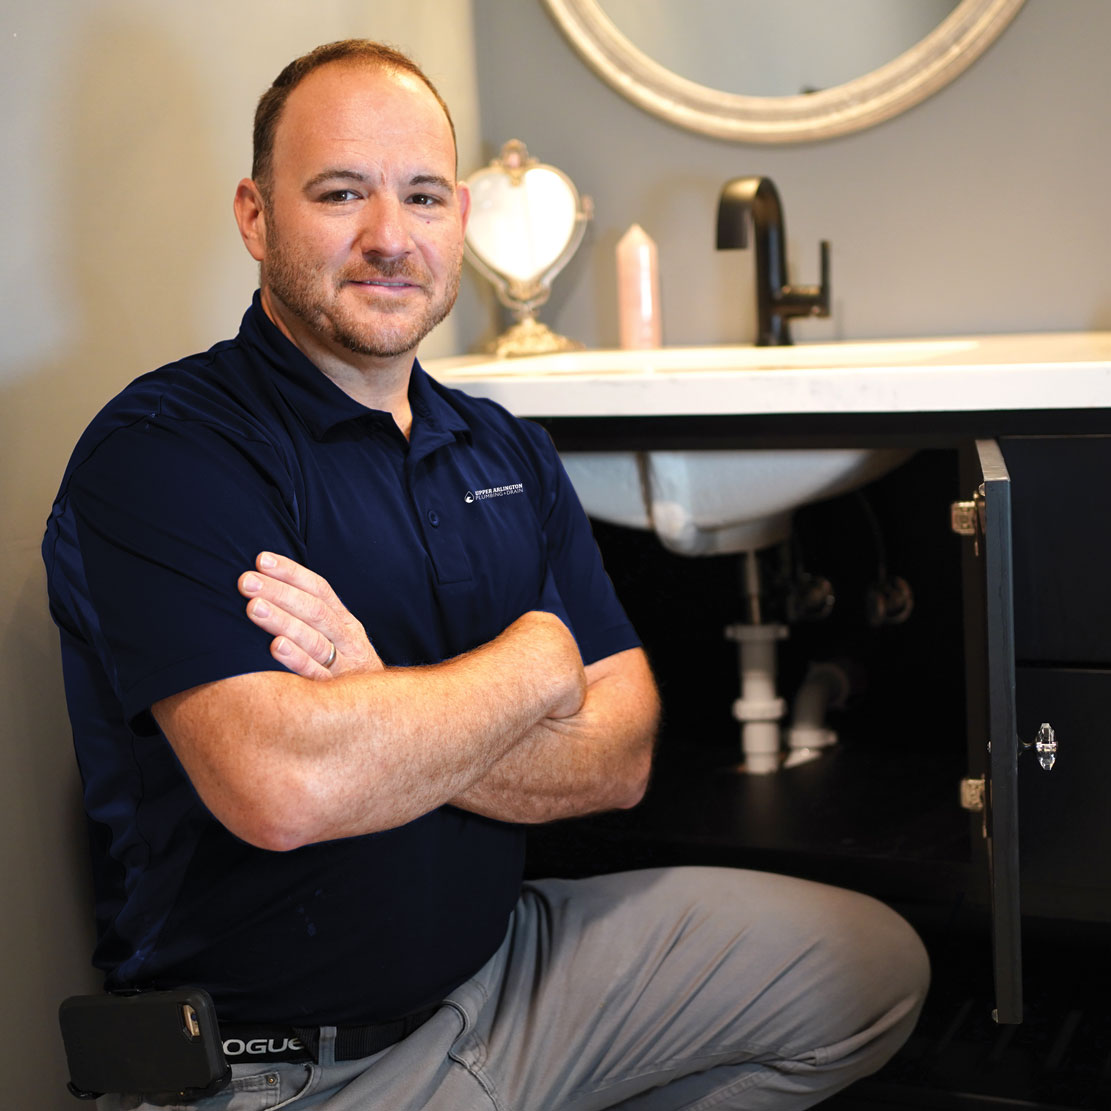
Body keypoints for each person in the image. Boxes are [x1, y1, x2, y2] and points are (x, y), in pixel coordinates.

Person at [43, 39, 929, 1110]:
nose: (387, 236)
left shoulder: (501, 446)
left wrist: (375, 710)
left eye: (421, 196)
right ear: (253, 215)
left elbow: (621, 755)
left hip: (509, 976)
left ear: (459, 218)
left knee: (866, 971)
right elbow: (287, 788)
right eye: (338, 193)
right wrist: (535, 659)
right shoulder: (166, 449)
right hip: (277, 1068)